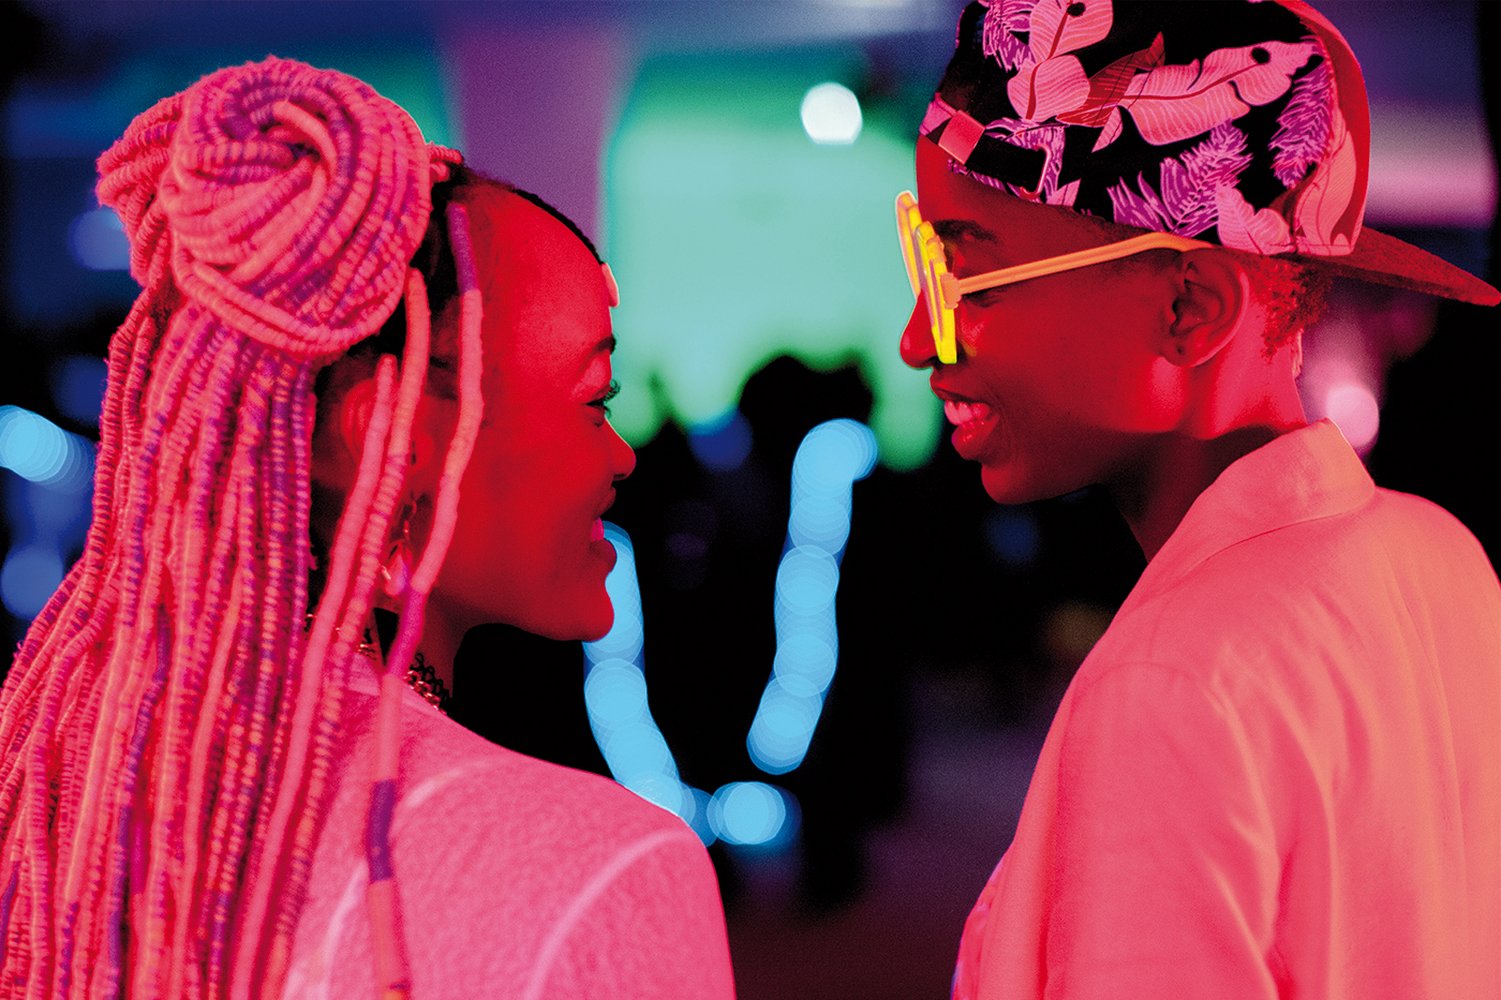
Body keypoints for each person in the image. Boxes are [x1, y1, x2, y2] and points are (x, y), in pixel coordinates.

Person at [0, 57, 735, 999]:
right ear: (392, 445)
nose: (624, 454)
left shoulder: (72, 806)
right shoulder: (606, 867)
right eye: (597, 397)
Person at [894, 2, 1500, 997]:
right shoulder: (1440, 555)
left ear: (1189, 307)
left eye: (967, 274)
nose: (920, 339)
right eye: (922, 259)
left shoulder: (1173, 681)